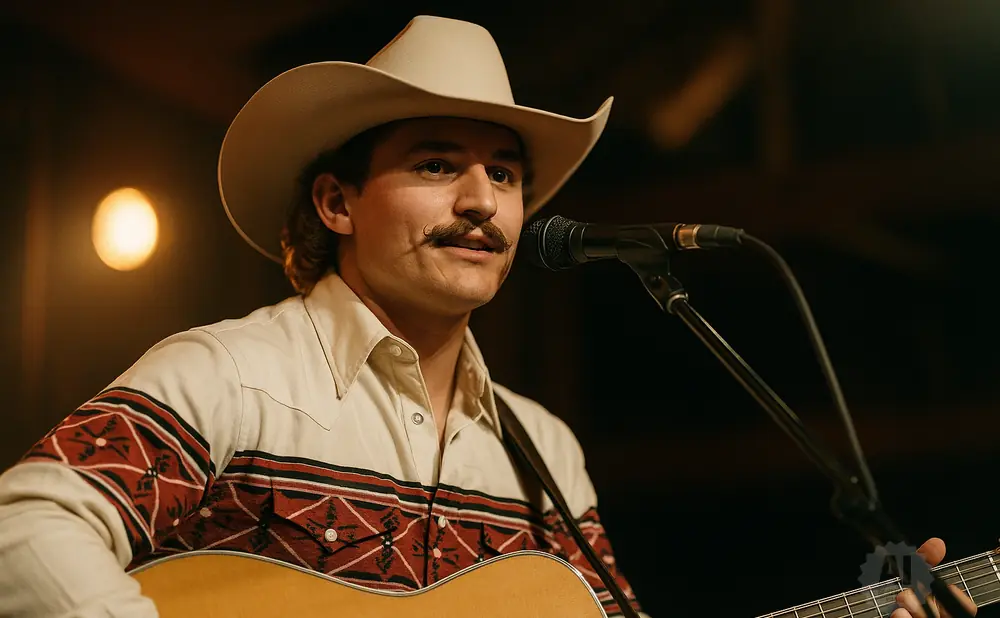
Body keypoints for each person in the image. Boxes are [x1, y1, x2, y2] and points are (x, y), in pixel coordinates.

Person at [0, 14, 976, 618]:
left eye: (505, 175)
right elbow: (24, 528)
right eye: (437, 163)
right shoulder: (227, 375)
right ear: (336, 204)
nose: (483, 200)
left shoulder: (541, 449)